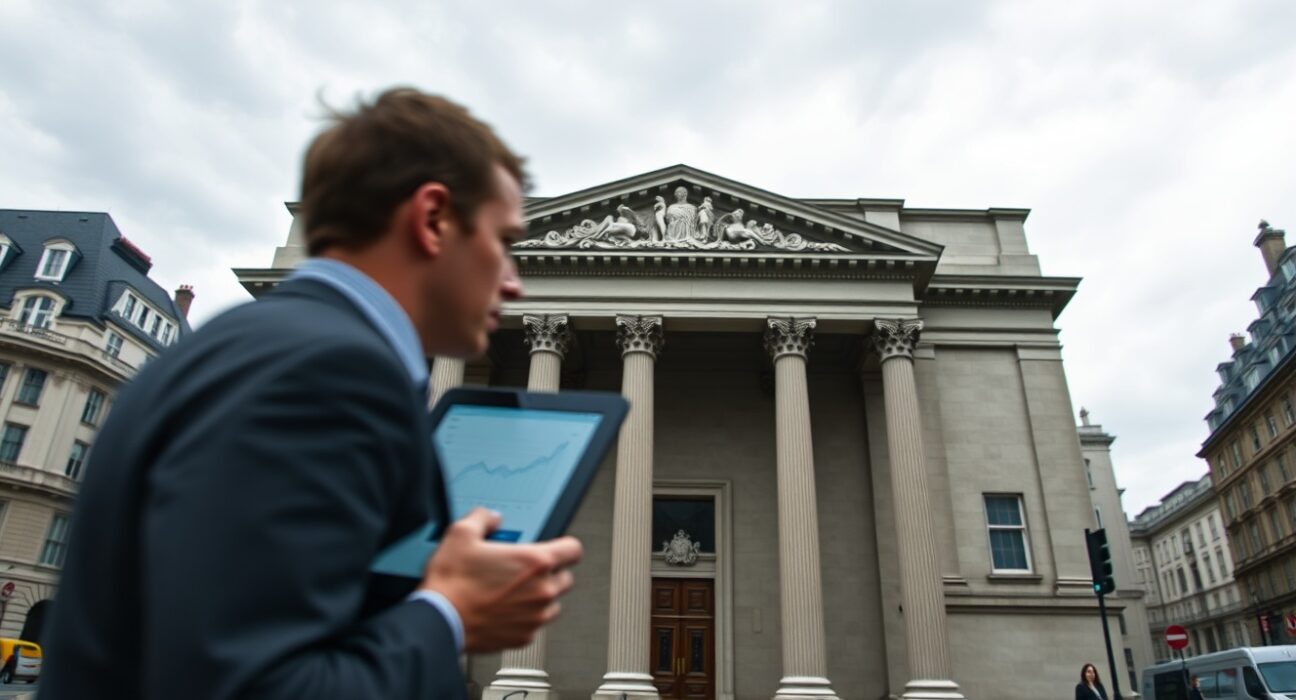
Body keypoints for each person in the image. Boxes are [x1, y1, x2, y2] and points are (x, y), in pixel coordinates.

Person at [39, 88, 582, 700]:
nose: (514, 282)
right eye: (504, 243)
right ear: (432, 220)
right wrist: (450, 612)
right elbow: (249, 685)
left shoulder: (244, 344)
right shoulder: (327, 372)